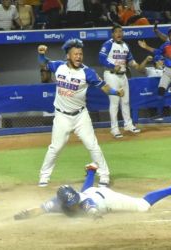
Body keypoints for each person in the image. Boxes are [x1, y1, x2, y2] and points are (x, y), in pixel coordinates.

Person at [37, 38, 124, 187]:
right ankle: (44, 177)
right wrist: (40, 54)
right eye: (75, 54)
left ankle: (104, 175)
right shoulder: (58, 66)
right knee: (55, 147)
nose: (78, 57)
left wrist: (116, 92)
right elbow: (44, 63)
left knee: (92, 145)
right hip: (62, 116)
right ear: (68, 56)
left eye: (80, 54)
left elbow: (104, 87)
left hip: (80, 116)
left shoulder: (87, 72)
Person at [14, 163, 171, 220]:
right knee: (88, 191)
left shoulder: (85, 203)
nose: (74, 205)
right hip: (91, 191)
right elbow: (39, 209)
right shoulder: (58, 202)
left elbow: (94, 215)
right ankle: (91, 171)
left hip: (106, 198)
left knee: (143, 206)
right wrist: (23, 215)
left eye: (74, 202)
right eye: (71, 204)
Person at [99, 24, 152, 139]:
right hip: (111, 75)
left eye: (121, 31)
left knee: (126, 101)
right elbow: (101, 58)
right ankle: (114, 128)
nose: (119, 34)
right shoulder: (108, 44)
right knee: (114, 103)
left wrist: (137, 64)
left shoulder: (125, 45)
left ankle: (128, 125)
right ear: (112, 34)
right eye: (117, 32)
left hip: (123, 76)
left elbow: (130, 61)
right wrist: (112, 65)